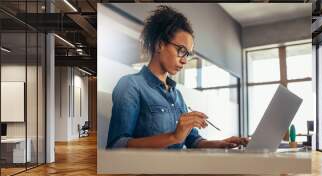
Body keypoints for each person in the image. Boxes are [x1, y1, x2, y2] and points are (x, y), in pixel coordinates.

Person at [106, 6, 249, 150]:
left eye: (187, 54)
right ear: (160, 45)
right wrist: (174, 137)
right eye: (181, 51)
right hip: (147, 172)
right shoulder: (131, 85)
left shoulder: (177, 95)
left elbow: (193, 141)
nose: (185, 61)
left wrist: (221, 143)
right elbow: (116, 146)